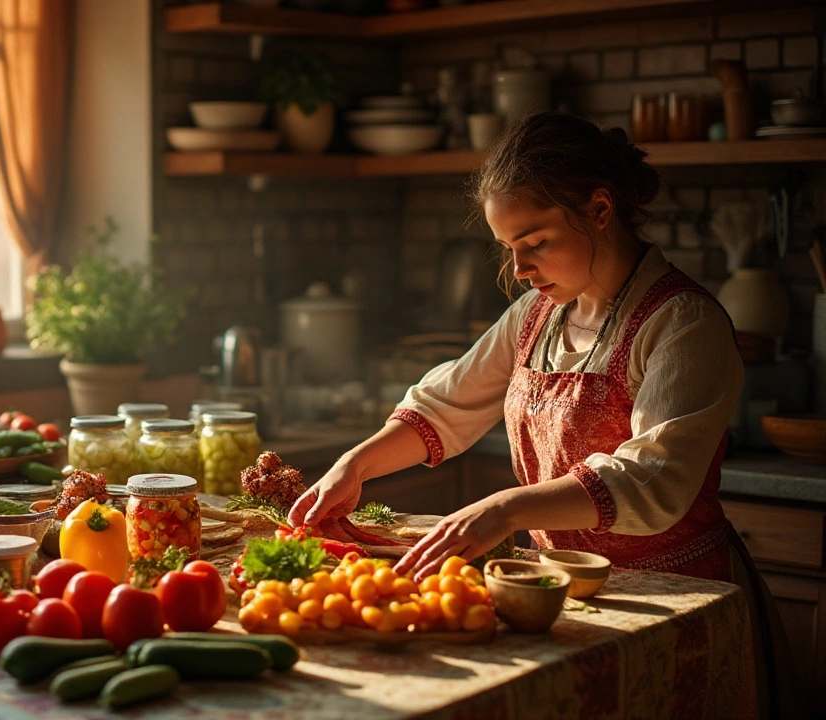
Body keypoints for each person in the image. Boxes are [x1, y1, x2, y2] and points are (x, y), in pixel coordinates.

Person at [288, 111, 799, 717]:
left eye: (535, 243)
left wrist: (505, 507)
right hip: (560, 595)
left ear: (600, 210)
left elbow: (654, 478)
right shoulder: (535, 317)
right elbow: (446, 402)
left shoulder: (682, 323)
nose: (521, 269)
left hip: (677, 601)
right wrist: (355, 465)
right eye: (509, 249)